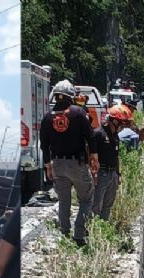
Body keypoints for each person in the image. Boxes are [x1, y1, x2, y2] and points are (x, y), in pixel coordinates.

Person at [39, 79, 98, 246]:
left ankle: (64, 234)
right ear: (71, 96)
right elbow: (90, 137)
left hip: (57, 164)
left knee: (64, 201)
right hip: (77, 164)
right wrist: (95, 158)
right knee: (86, 200)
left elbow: (44, 145)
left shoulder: (47, 117)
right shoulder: (79, 113)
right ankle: (79, 235)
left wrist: (47, 167)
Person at [91, 104, 130, 221]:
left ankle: (104, 226)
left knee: (108, 204)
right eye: (122, 123)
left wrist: (118, 174)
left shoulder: (115, 137)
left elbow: (116, 156)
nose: (123, 126)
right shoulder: (98, 134)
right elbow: (91, 155)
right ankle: (93, 228)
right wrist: (93, 174)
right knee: (97, 204)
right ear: (115, 121)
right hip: (101, 173)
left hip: (112, 174)